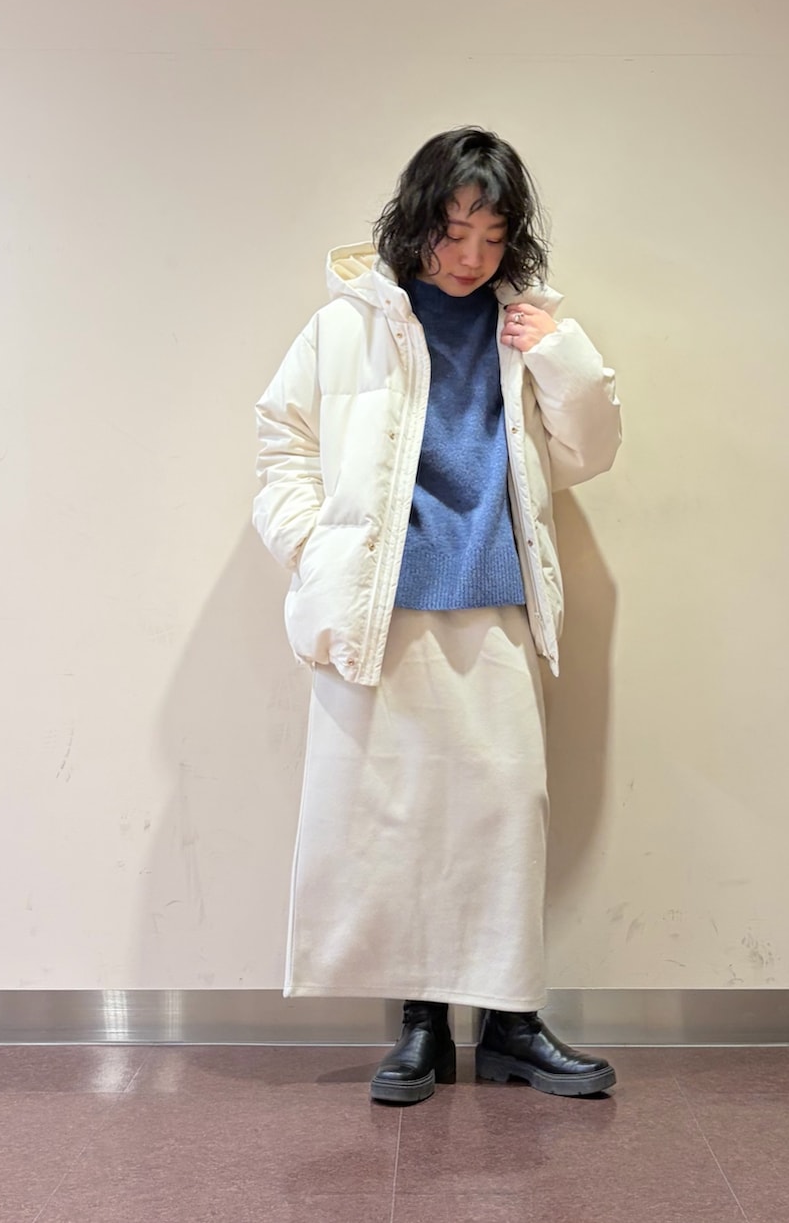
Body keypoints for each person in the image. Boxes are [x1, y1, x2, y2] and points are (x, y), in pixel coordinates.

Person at [252, 126, 622, 1104]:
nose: (469, 257)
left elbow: (588, 453)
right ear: (416, 220)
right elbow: (280, 441)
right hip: (382, 610)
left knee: (503, 817)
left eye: (492, 238)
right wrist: (314, 547)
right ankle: (421, 1028)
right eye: (454, 233)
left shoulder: (527, 325)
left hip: (494, 598)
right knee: (398, 824)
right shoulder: (346, 325)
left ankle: (509, 1025)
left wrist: (562, 356)